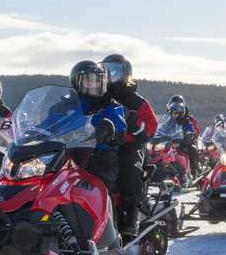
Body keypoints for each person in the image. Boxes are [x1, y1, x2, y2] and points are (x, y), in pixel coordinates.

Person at [101, 54, 158, 237]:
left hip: (129, 146)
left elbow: (151, 128)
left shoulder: (136, 102)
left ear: (126, 74)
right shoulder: (97, 96)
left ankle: (130, 217)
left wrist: (134, 124)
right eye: (106, 71)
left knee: (129, 171)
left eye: (114, 72)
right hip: (101, 145)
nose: (109, 76)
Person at [70, 60, 126, 195]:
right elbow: (52, 120)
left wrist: (107, 129)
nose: (95, 84)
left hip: (100, 154)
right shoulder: (67, 103)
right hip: (68, 153)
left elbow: (119, 127)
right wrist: (35, 130)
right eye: (90, 81)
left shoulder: (110, 105)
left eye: (98, 81)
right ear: (77, 81)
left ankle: (108, 214)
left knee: (101, 184)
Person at [166, 95, 200, 177]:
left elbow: (192, 130)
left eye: (174, 112)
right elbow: (163, 129)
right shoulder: (169, 121)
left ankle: (194, 171)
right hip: (171, 144)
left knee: (192, 149)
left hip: (183, 143)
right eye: (171, 112)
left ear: (180, 112)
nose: (172, 114)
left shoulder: (187, 120)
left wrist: (190, 135)